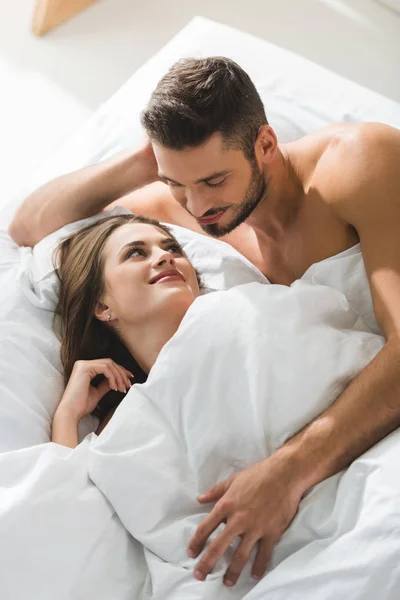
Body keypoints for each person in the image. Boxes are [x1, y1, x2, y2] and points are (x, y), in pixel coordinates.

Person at [9, 56, 400, 588]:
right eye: (178, 184)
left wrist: (288, 472)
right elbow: (31, 227)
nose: (197, 206)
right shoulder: (189, 210)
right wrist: (147, 165)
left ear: (265, 144)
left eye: (214, 179)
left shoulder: (357, 163)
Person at [51, 214, 201, 448]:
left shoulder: (247, 310)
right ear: (102, 306)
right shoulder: (128, 422)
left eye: (173, 248)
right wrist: (67, 416)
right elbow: (68, 485)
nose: (166, 256)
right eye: (135, 253)